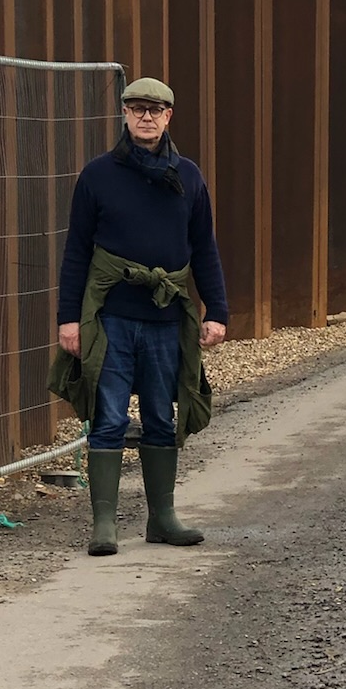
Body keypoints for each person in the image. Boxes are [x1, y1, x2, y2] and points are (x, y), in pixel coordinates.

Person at [49, 77, 228, 556]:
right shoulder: (98, 175)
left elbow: (204, 247)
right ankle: (103, 526)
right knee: (106, 417)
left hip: (166, 318)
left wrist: (218, 310)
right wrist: (69, 319)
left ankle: (162, 519)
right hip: (110, 317)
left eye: (155, 109)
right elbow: (76, 253)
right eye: (136, 108)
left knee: (158, 417)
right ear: (124, 114)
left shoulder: (188, 177)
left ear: (169, 116)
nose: (145, 116)